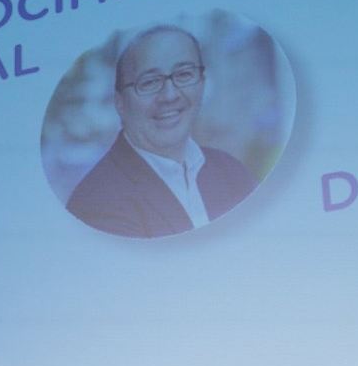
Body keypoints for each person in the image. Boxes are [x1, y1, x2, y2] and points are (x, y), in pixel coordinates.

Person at [66, 25, 258, 238]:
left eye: (184, 74)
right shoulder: (97, 203)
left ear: (202, 83)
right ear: (119, 102)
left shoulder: (233, 173)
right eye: (149, 82)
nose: (169, 95)